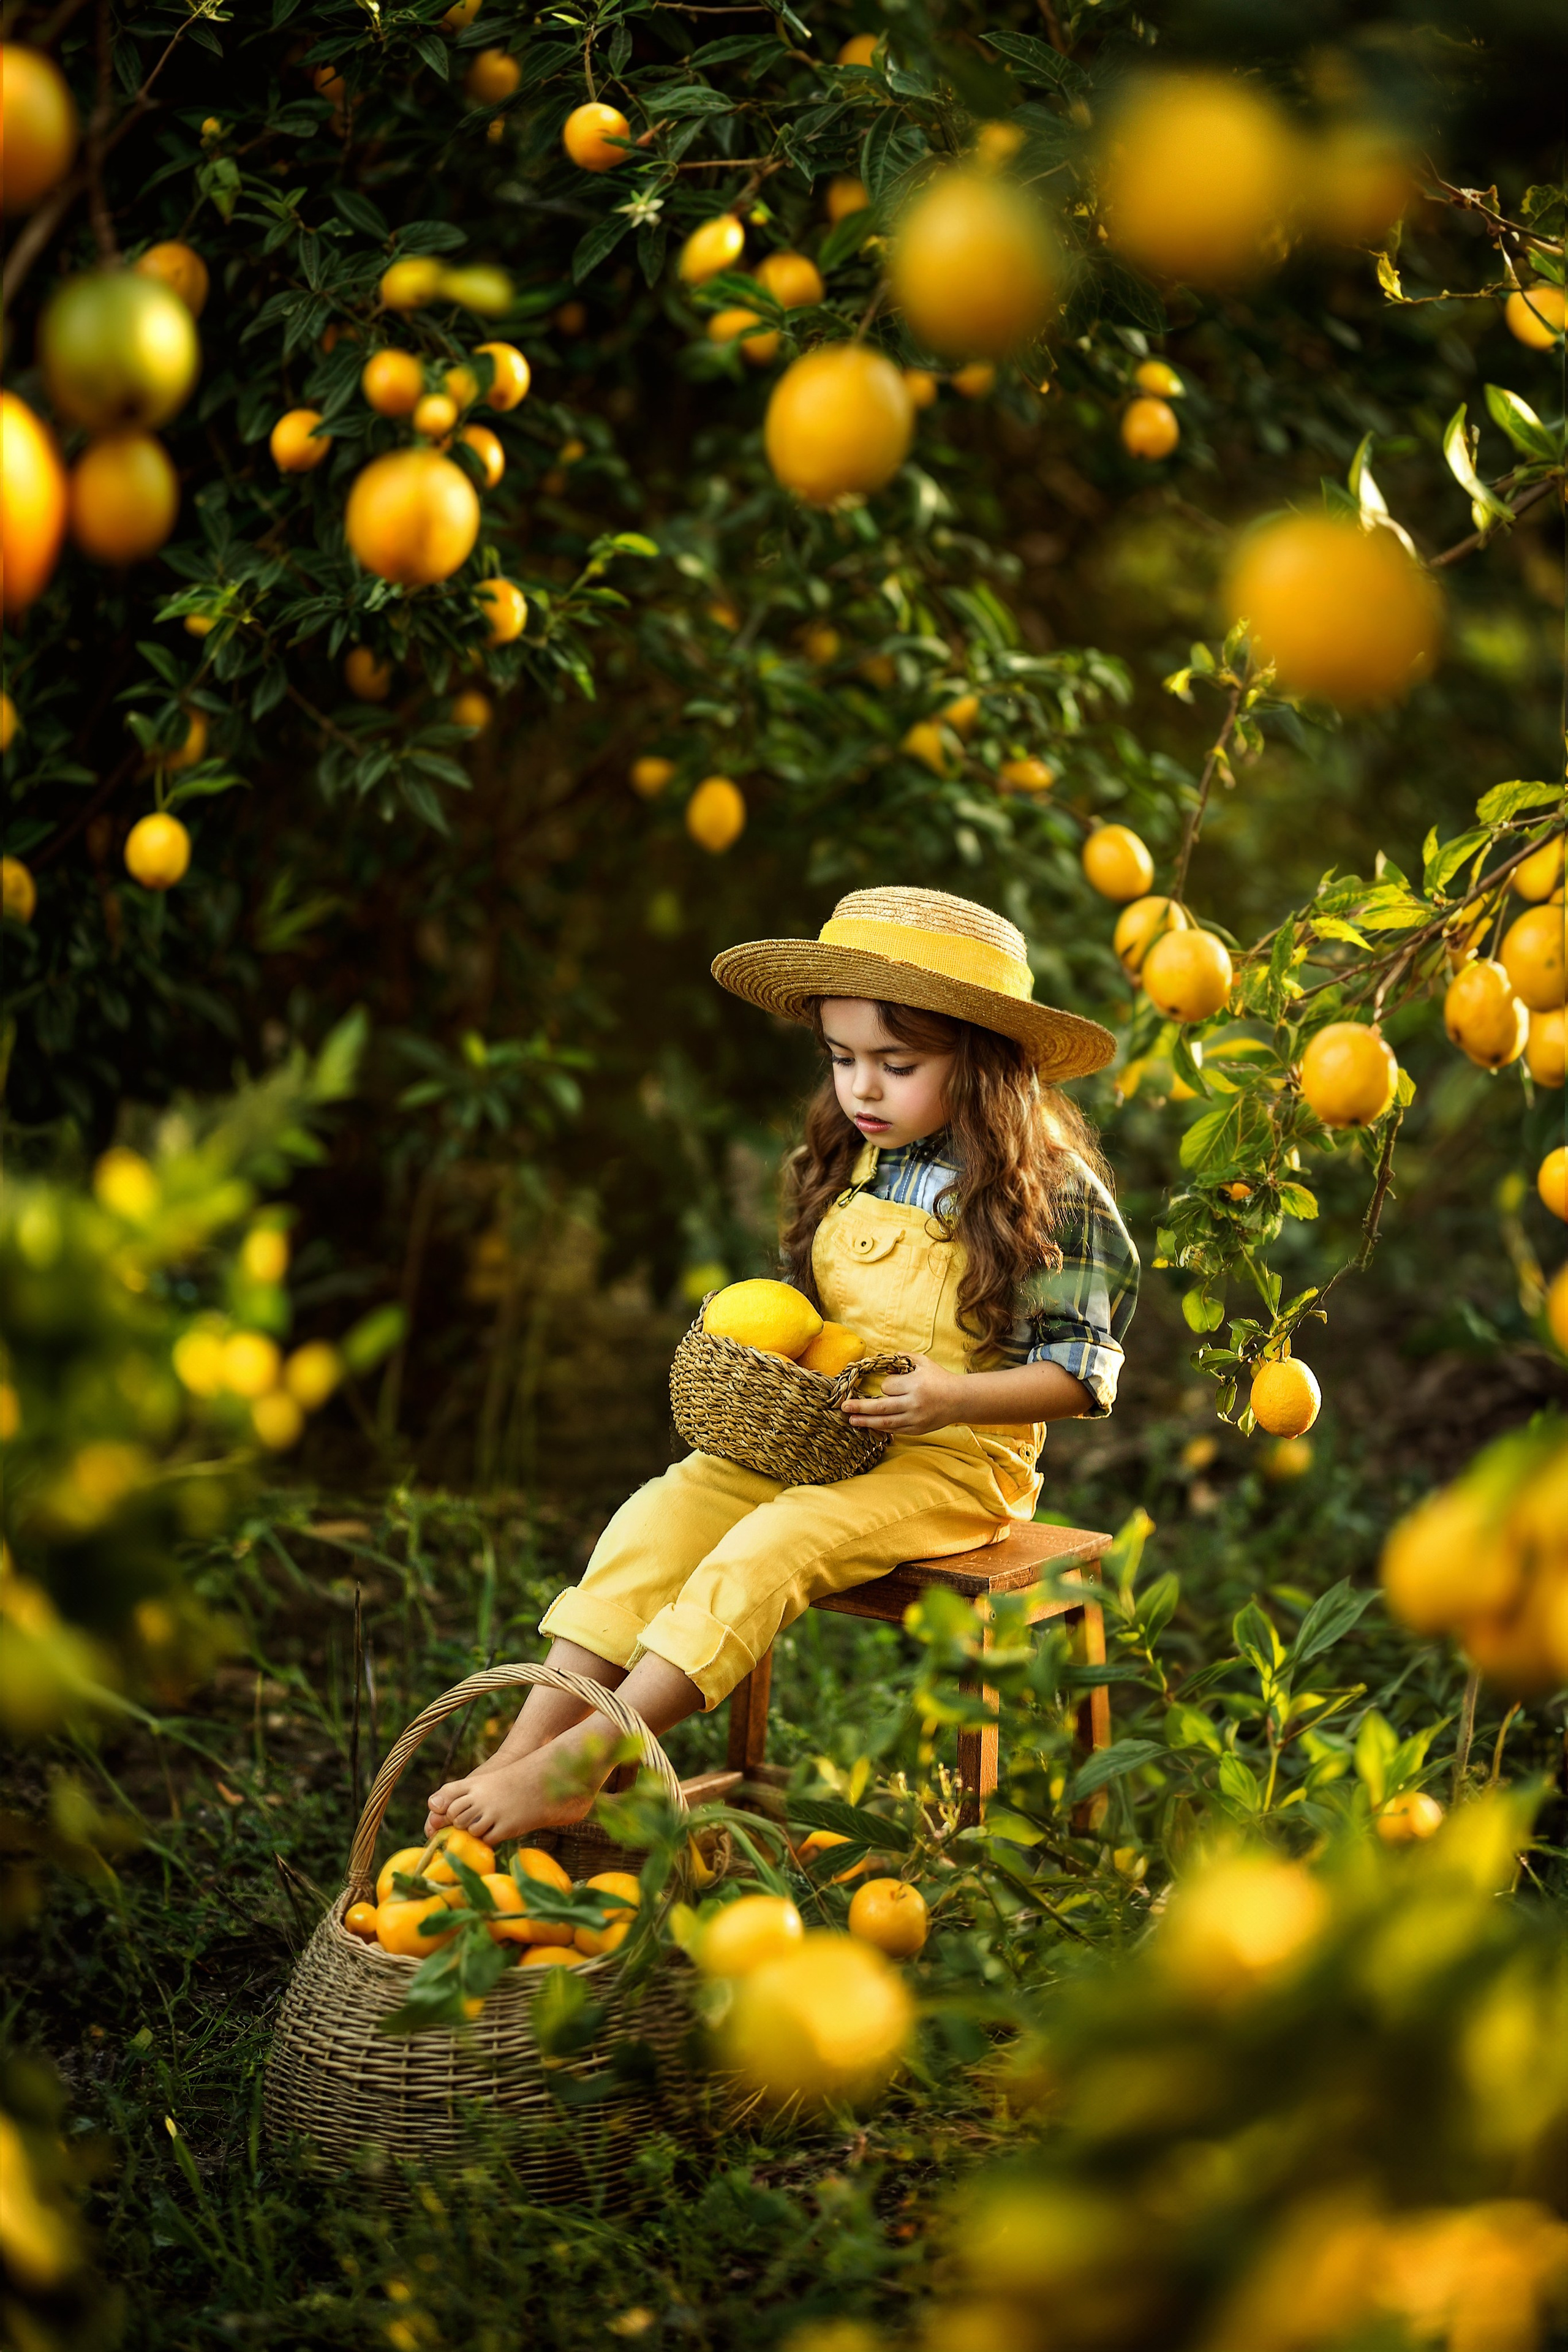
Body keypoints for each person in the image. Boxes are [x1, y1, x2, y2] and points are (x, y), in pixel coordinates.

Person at [426, 885, 1137, 1842]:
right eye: (842, 1059)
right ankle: (521, 1752)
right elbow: (812, 1319)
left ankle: (587, 1760)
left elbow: (1083, 1376)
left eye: (897, 1064)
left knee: (777, 1541)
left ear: (982, 1064)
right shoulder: (855, 1154)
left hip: (958, 1464)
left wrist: (950, 1397)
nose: (863, 1090)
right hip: (825, 1438)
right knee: (663, 1513)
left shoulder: (1050, 1190)